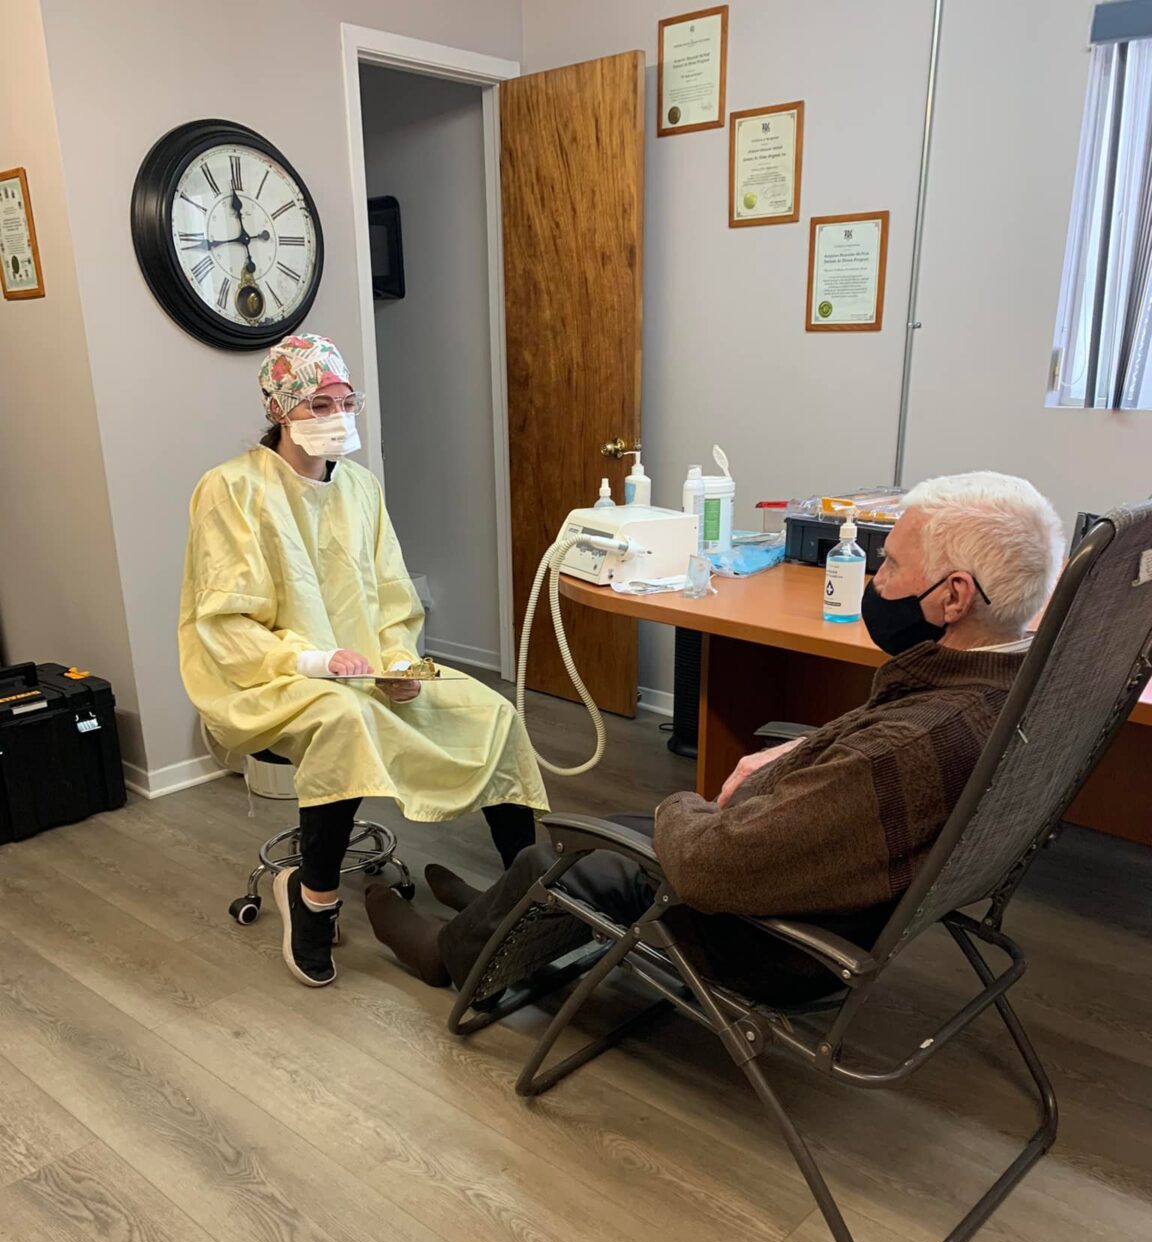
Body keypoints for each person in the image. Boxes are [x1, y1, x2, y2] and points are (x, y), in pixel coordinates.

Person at [366, 471, 1065, 1003]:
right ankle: (500, 917)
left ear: (953, 596)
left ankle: (450, 957)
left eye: (890, 566)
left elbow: (706, 867)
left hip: (777, 942)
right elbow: (875, 750)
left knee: (591, 851)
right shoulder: (1005, 682)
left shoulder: (904, 748)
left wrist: (687, 803)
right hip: (847, 887)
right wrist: (807, 750)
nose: (874, 579)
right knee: (592, 848)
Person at [179, 333, 548, 989]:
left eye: (347, 402)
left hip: (370, 675)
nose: (337, 416)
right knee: (344, 721)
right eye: (319, 403)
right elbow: (226, 623)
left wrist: (400, 662)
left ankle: (533, 893)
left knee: (492, 714)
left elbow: (393, 599)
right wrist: (319, 660)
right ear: (279, 409)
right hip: (274, 680)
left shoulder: (361, 490)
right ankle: (313, 902)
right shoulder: (230, 491)